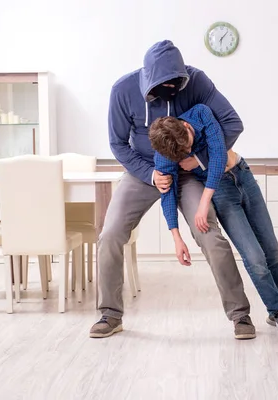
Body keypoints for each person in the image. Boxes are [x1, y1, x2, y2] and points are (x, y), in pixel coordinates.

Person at [90, 40, 256, 340]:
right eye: (162, 84)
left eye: (175, 83)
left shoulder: (197, 82)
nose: (170, 88)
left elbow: (231, 123)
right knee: (110, 233)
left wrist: (198, 160)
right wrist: (150, 173)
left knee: (210, 236)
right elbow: (117, 143)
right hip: (144, 171)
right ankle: (110, 314)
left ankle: (240, 316)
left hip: (188, 172)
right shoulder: (123, 90)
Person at [149, 104, 278, 335]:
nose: (188, 152)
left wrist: (202, 200)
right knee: (254, 256)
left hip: (242, 174)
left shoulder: (200, 114)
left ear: (186, 126)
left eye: (189, 145)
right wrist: (176, 237)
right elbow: (167, 194)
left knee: (271, 250)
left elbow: (218, 154)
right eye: (185, 153)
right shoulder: (165, 154)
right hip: (221, 191)